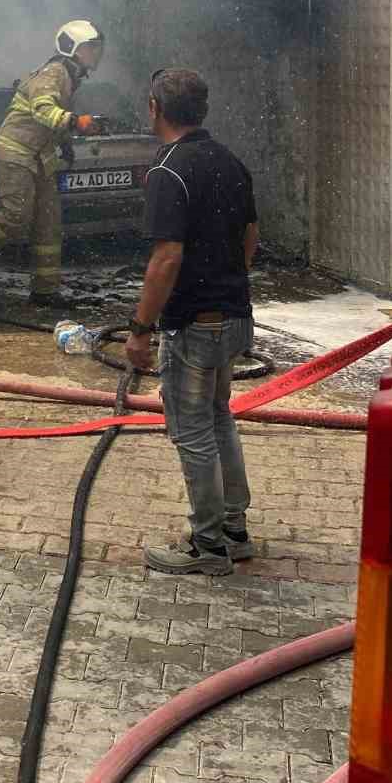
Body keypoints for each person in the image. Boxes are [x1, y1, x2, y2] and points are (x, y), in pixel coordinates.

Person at [125, 68, 259, 577]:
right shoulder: (230, 160)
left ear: (156, 108)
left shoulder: (169, 170)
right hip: (234, 319)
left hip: (194, 328)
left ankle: (207, 547)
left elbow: (166, 260)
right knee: (219, 416)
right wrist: (227, 282)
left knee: (191, 431)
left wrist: (141, 329)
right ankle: (234, 530)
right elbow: (250, 232)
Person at [0, 21, 105, 308]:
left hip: (40, 157)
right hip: (16, 153)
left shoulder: (70, 75)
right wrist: (77, 122)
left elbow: (50, 121)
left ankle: (45, 291)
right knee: (16, 217)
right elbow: (44, 110)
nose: (97, 53)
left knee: (48, 224)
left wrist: (63, 141)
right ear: (74, 49)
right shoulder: (53, 73)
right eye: (92, 47)